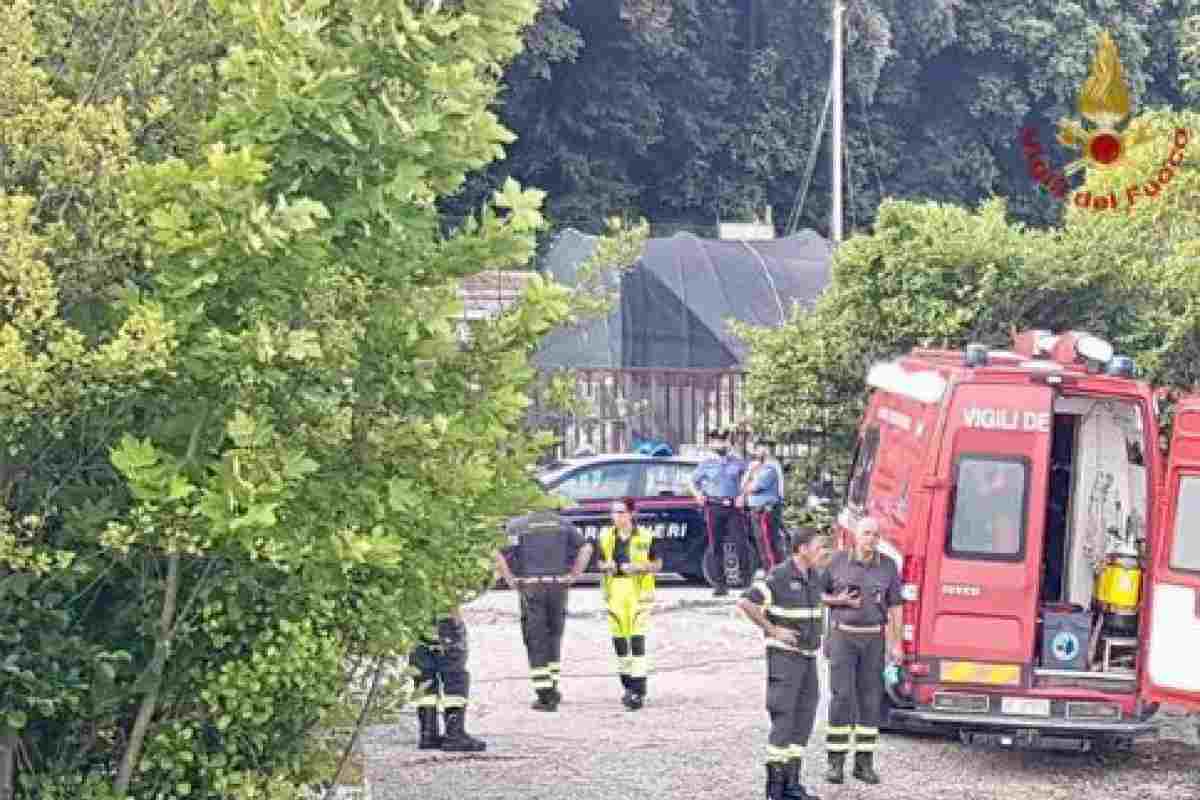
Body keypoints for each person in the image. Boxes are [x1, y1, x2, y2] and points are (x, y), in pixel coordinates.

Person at [738, 527, 828, 800]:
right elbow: (746, 602)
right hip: (785, 659)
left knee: (803, 719)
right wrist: (773, 630)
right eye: (818, 547)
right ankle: (774, 789)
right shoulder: (779, 575)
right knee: (784, 718)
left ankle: (792, 784)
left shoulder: (814, 576)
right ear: (802, 549)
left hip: (808, 658)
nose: (822, 552)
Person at [819, 516, 903, 784]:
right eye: (867, 533)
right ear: (856, 535)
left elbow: (895, 607)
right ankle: (835, 763)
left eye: (876, 534)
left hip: (873, 640)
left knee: (870, 701)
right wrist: (838, 600)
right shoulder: (836, 562)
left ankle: (864, 764)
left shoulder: (888, 566)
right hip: (843, 638)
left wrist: (896, 643)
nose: (872, 539)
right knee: (842, 698)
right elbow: (815, 594)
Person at [495, 508, 594, 711]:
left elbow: (496, 551)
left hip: (531, 587)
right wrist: (574, 575)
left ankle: (545, 695)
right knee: (554, 636)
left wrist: (509, 579)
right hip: (558, 586)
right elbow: (586, 548)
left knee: (535, 638)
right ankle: (553, 687)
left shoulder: (517, 525)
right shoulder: (562, 523)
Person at [596, 496, 663, 710]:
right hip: (614, 592)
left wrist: (638, 567)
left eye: (621, 512)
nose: (616, 516)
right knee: (619, 642)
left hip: (638, 593)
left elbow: (658, 564)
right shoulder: (605, 536)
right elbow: (598, 562)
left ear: (631, 514)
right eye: (614, 512)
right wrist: (606, 565)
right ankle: (627, 685)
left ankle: (638, 689)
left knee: (636, 641)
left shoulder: (646, 536)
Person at [411, 606, 486, 752]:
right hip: (443, 617)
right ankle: (454, 733)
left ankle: (428, 733)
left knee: (424, 674)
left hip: (415, 615)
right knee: (455, 676)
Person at [690, 429, 748, 596]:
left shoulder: (737, 461)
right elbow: (693, 482)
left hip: (733, 507)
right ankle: (720, 585)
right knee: (716, 546)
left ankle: (745, 584)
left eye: (723, 441)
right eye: (717, 441)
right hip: (714, 506)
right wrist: (698, 495)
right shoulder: (706, 463)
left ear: (728, 443)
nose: (721, 444)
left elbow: (749, 477)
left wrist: (743, 495)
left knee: (741, 543)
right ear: (711, 443)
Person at [739, 436, 787, 572]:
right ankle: (772, 572)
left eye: (759, 447)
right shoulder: (760, 467)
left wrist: (750, 477)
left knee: (767, 544)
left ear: (766, 450)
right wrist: (750, 472)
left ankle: (773, 573)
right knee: (763, 543)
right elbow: (743, 485)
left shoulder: (769, 468)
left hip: (765, 511)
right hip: (760, 510)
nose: (756, 451)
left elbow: (752, 487)